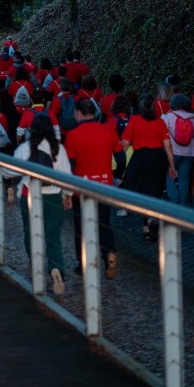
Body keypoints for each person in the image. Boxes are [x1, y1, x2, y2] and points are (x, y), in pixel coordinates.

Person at [1, 114, 73, 295]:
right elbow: (67, 176)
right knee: (53, 236)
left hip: (30, 195)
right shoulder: (59, 149)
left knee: (30, 232)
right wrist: (68, 195)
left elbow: (7, 170)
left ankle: (36, 264)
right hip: (54, 197)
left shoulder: (26, 148)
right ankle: (56, 268)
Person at [65, 98, 126, 279]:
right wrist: (115, 176)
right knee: (103, 224)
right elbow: (121, 158)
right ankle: (109, 255)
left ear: (78, 113)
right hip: (104, 186)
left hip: (81, 188)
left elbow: (69, 165)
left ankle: (83, 264)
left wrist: (67, 193)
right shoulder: (108, 131)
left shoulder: (73, 135)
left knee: (81, 229)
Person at [120, 95, 177, 241]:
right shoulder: (160, 122)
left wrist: (119, 162)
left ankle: (143, 222)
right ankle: (149, 223)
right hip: (158, 159)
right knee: (154, 192)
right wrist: (172, 166)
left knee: (135, 187)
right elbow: (167, 145)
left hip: (140, 158)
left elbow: (125, 143)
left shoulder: (134, 121)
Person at [162, 93, 194, 205]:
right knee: (184, 179)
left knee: (170, 177)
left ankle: (174, 201)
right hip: (189, 153)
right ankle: (184, 204)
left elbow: (163, 136)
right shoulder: (191, 118)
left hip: (172, 152)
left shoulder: (168, 117)